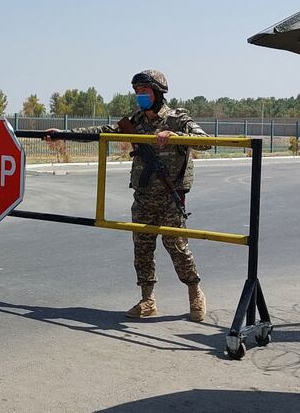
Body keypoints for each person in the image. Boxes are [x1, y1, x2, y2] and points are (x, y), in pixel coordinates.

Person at [48, 70, 210, 321]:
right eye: (137, 92)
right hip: (144, 195)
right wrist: (64, 134)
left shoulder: (178, 119)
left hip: (170, 195)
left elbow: (205, 141)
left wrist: (178, 137)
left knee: (177, 247)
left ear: (158, 93)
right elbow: (101, 131)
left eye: (145, 91)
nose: (140, 96)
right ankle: (147, 300)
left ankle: (195, 292)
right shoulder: (135, 121)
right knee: (142, 247)